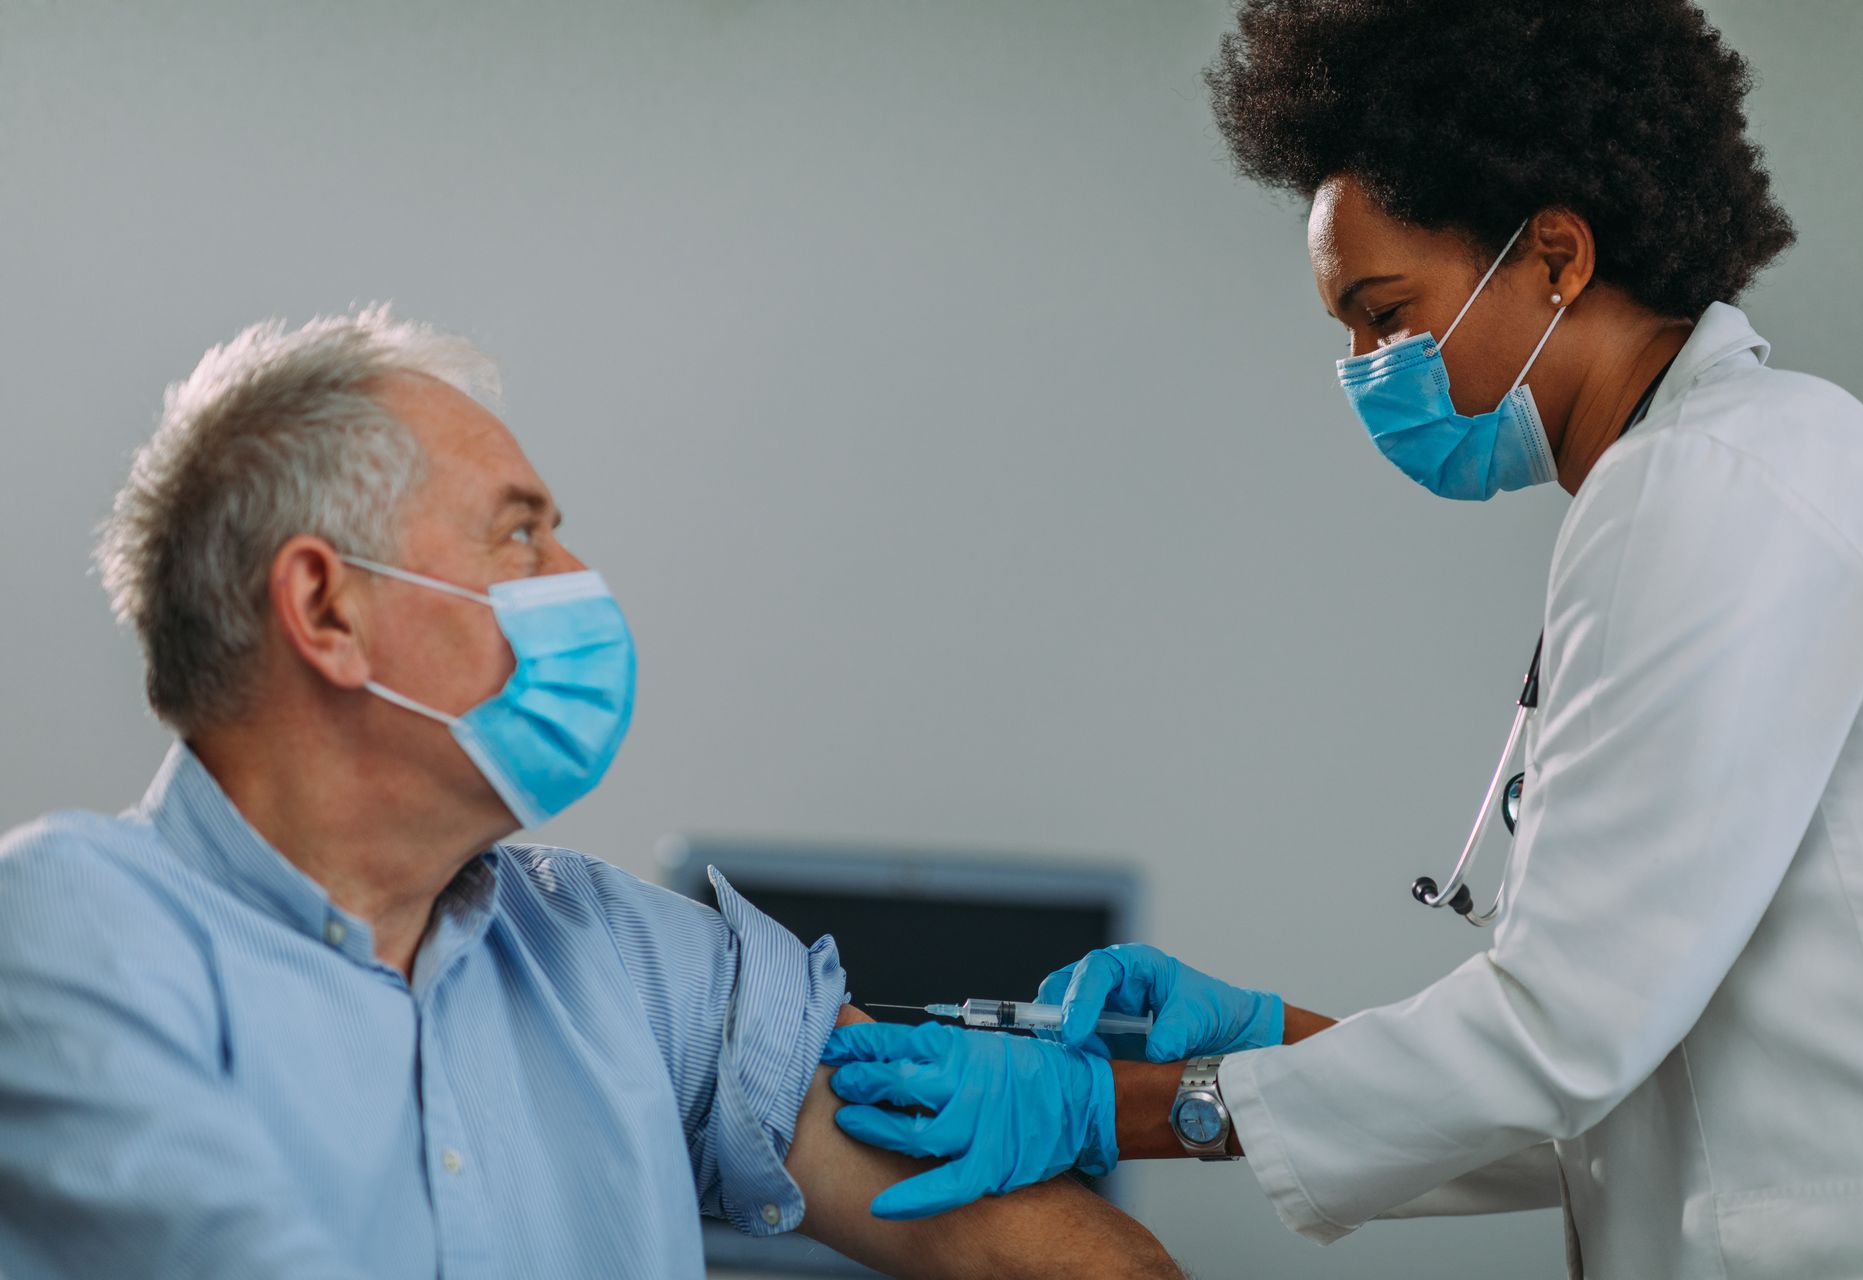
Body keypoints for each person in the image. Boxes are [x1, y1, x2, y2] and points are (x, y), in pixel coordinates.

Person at [821, 2, 1863, 1277]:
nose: (1364, 368)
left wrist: (1118, 1105)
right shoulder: (1730, 473)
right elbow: (1595, 1093)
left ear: (1556, 253)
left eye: (1388, 315)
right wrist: (1261, 1045)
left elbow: (1559, 1039)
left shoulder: (1715, 485)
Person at [0, 309, 1181, 1280]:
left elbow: (1013, 1238)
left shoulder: (623, 958)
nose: (579, 581)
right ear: (325, 609)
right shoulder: (71, 923)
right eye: (521, 535)